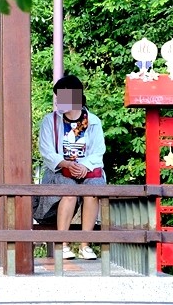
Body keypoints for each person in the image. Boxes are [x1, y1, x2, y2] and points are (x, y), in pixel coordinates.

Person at [34, 74, 106, 260]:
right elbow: (46, 150)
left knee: (94, 189)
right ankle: (63, 243)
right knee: (69, 188)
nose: (58, 101)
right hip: (60, 170)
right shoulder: (50, 121)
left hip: (87, 170)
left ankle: (85, 244)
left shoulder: (94, 122)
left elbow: (98, 151)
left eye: (62, 97)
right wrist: (66, 163)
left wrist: (83, 166)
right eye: (57, 97)